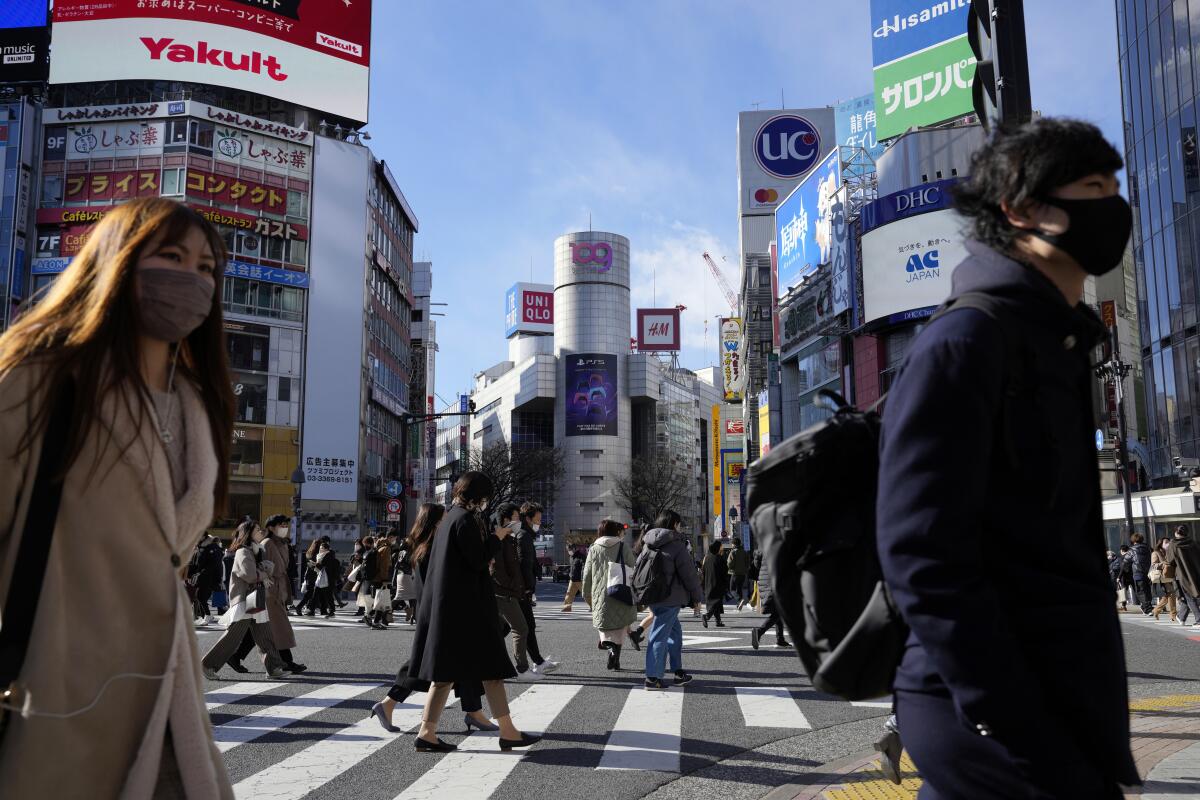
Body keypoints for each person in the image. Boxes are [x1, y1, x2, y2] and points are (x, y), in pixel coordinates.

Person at [876, 118, 1139, 796]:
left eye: (1115, 185)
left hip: (1053, 701)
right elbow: (920, 552)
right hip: (997, 718)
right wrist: (1007, 716)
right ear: (1021, 209)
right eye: (1092, 187)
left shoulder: (1056, 344)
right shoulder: (966, 341)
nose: (1114, 204)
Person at [0, 198, 236, 796]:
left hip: (168, 701)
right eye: (172, 256)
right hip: (53, 697)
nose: (193, 279)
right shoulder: (39, 381)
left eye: (207, 268)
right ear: (119, 263)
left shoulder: (196, 405)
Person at [407, 472, 541, 752]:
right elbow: (478, 560)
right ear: (479, 496)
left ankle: (427, 733)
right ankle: (507, 732)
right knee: (491, 669)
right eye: (485, 497)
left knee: (445, 675)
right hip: (469, 610)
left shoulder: (449, 519)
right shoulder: (465, 521)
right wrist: (497, 537)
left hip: (449, 609)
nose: (485, 502)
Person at [370, 503, 497, 734]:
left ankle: (473, 711)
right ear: (435, 522)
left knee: (457, 661)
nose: (448, 522)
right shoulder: (431, 548)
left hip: (436, 610)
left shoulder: (424, 546)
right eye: (445, 518)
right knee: (429, 663)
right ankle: (392, 706)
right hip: (441, 612)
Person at [202, 522, 287, 680]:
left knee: (265, 634)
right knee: (232, 637)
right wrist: (264, 572)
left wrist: (264, 568)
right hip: (246, 599)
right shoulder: (243, 551)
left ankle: (274, 667)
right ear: (248, 533)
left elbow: (260, 569)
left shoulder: (255, 551)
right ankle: (207, 664)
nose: (260, 531)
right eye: (256, 529)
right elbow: (249, 574)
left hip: (255, 597)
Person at [640, 510, 703, 690]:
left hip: (653, 594)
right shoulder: (676, 545)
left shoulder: (648, 542)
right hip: (670, 597)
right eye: (679, 524)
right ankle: (652, 677)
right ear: (674, 524)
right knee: (659, 636)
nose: (680, 527)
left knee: (675, 634)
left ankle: (678, 672)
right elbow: (690, 575)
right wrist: (697, 597)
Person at [490, 503, 539, 679]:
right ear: (505, 520)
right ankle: (522, 669)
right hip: (504, 593)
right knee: (521, 628)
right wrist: (513, 586)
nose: (518, 521)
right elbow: (497, 571)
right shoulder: (499, 541)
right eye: (516, 517)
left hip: (506, 592)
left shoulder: (509, 539)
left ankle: (491, 667)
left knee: (497, 632)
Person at [582, 519, 638, 670]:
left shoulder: (594, 548)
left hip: (601, 595)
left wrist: (586, 593)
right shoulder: (623, 546)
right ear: (616, 531)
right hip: (620, 591)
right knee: (620, 627)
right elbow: (632, 567)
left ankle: (609, 648)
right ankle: (615, 659)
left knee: (604, 626)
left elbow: (587, 573)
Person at [516, 501, 559, 674]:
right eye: (537, 520)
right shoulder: (523, 536)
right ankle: (532, 664)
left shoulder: (524, 535)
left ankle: (537, 661)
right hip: (520, 589)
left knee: (521, 626)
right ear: (527, 518)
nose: (539, 524)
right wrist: (528, 589)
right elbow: (524, 564)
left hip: (520, 588)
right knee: (524, 626)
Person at [749, 548, 790, 650]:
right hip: (776, 579)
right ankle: (759, 632)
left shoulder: (762, 545)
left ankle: (780, 639)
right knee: (780, 611)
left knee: (778, 610)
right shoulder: (779, 543)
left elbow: (757, 564)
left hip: (764, 579)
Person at [1165, 525, 1200, 626]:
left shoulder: (1173, 544)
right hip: (1195, 572)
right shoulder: (1193, 543)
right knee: (1186, 595)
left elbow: (1170, 560)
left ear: (1176, 532)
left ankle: (1199, 619)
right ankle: (1181, 617)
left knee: (1188, 596)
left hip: (1181, 574)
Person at [189, 532, 225, 624]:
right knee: (201, 596)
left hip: (210, 576)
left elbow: (214, 564)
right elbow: (197, 562)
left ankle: (210, 614)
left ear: (203, 537)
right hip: (206, 576)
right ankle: (207, 615)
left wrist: (200, 573)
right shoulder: (201, 547)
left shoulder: (211, 547)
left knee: (202, 596)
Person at [700, 540, 728, 628]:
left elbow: (703, 572)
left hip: (708, 583)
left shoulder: (707, 558)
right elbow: (725, 571)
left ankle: (718, 621)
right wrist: (726, 583)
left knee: (716, 602)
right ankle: (707, 616)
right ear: (717, 547)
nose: (722, 547)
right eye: (720, 546)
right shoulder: (719, 558)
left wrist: (703, 584)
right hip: (717, 583)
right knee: (716, 601)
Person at [1151, 537, 1177, 622]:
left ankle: (1156, 610)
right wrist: (1163, 563)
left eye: (1169, 542)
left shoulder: (1169, 551)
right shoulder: (1156, 553)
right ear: (1161, 543)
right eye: (1166, 542)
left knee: (1169, 595)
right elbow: (1154, 565)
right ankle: (1173, 615)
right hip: (1162, 576)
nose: (1168, 543)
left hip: (1170, 575)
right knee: (1172, 594)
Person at [1129, 532, 1154, 615]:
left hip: (1138, 573)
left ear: (1133, 540)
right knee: (1147, 590)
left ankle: (1148, 609)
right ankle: (1146, 607)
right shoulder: (1148, 548)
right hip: (1149, 572)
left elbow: (1125, 562)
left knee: (1141, 591)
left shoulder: (1132, 550)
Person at [727, 538, 750, 610]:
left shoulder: (733, 552)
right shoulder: (744, 552)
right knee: (739, 589)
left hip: (735, 573)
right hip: (743, 574)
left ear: (734, 544)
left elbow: (730, 564)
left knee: (732, 589)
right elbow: (748, 563)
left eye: (732, 544)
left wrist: (730, 567)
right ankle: (739, 605)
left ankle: (740, 600)